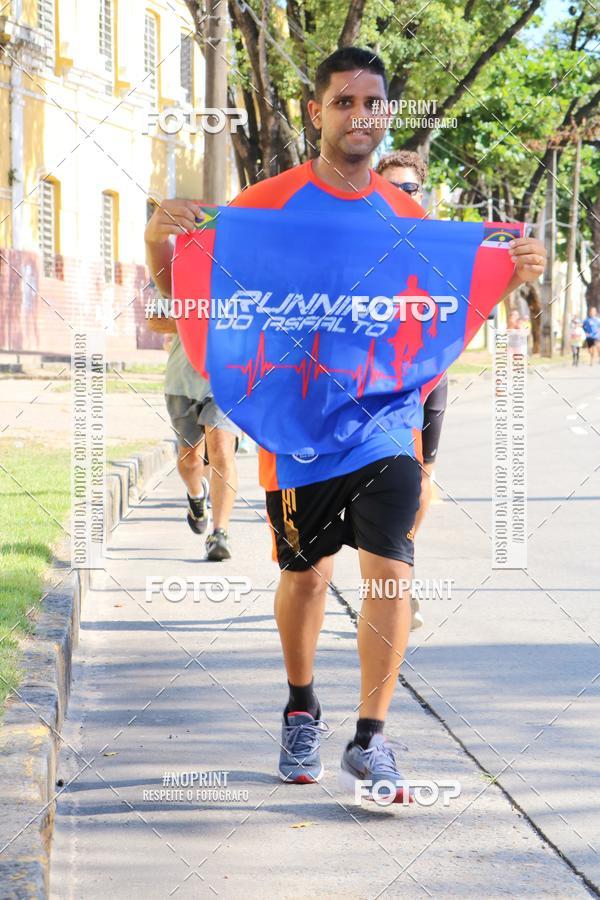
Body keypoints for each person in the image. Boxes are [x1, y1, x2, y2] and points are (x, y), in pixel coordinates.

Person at [145, 46, 547, 802]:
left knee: (392, 567)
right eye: (343, 102)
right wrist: (156, 242)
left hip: (384, 420)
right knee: (304, 576)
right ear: (316, 112)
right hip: (295, 426)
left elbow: (441, 308)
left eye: (373, 103)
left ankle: (371, 738)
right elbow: (191, 302)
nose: (359, 116)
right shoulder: (265, 206)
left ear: (387, 113)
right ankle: (302, 705)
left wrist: (512, 268)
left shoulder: (410, 219)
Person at [375, 150, 447, 631]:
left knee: (422, 480)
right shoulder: (358, 238)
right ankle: (386, 568)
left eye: (410, 189)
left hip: (429, 377)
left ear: (422, 195)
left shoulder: (440, 243)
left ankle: (404, 559)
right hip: (368, 381)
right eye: (391, 189)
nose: (401, 196)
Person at [146, 305, 241, 561]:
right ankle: (197, 495)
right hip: (182, 381)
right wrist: (197, 321)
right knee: (190, 462)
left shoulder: (242, 273)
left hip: (228, 378)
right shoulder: (175, 275)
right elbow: (154, 320)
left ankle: (220, 533)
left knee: (222, 451)